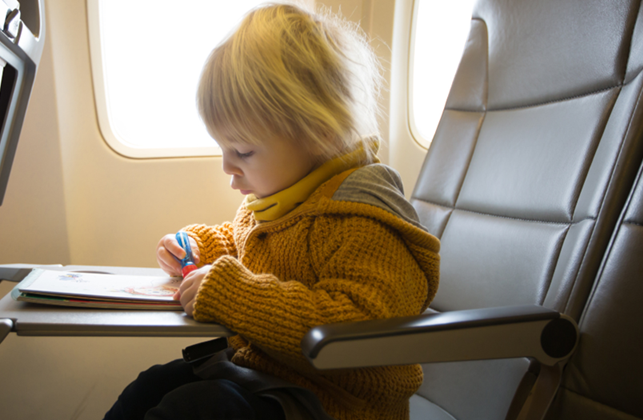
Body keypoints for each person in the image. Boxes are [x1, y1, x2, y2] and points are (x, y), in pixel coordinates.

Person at [104, 3, 440, 420]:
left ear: (319, 133)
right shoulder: (282, 198)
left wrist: (232, 293)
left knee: (196, 409)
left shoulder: (364, 222)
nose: (227, 166)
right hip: (272, 377)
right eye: (223, 148)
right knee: (152, 385)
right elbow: (249, 247)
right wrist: (199, 247)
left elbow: (357, 332)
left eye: (243, 151)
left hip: (336, 404)